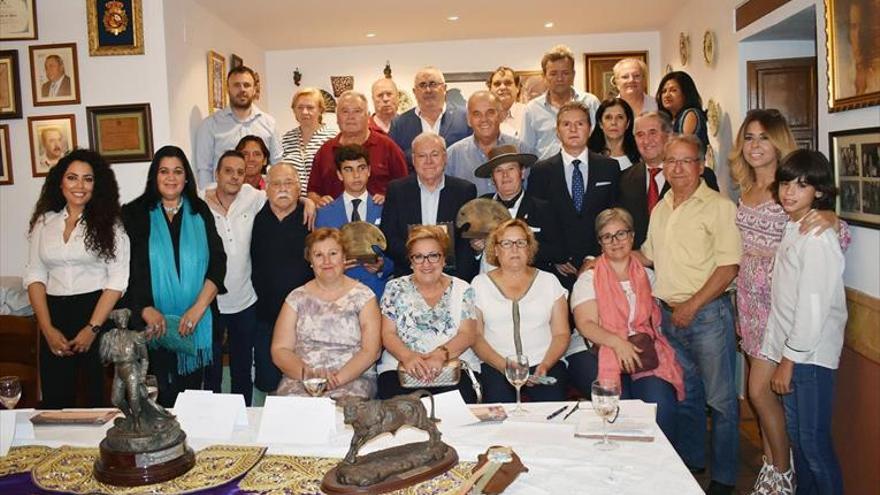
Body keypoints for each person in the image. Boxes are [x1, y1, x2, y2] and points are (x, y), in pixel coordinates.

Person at [728, 109, 847, 494]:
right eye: (748, 137)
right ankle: (773, 467)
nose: (755, 145)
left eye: (763, 137)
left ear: (778, 141)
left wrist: (831, 216)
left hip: (783, 303)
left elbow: (832, 239)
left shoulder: (798, 195)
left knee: (761, 391)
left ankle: (780, 475)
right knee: (764, 397)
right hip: (751, 298)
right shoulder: (743, 188)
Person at [641, 134, 741, 495]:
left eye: (686, 161)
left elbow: (729, 266)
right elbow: (648, 256)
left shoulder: (720, 207)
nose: (678, 168)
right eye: (671, 161)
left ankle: (726, 477)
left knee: (722, 401)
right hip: (669, 317)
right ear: (663, 167)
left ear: (701, 165)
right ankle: (693, 461)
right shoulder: (661, 207)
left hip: (707, 316)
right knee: (688, 394)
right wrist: (603, 259)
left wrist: (692, 306)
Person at [764, 149, 846, 495]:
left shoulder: (817, 237)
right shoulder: (795, 226)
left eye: (802, 185)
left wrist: (787, 362)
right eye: (785, 183)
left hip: (807, 359)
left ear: (819, 191)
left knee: (813, 446)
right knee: (799, 441)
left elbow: (812, 310)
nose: (790, 192)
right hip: (794, 354)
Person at [122, 146, 226, 407]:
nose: (171, 178)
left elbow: (218, 262)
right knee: (156, 401)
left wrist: (198, 309)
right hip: (150, 325)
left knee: (191, 402)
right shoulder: (133, 214)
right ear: (154, 176)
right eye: (164, 171)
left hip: (196, 323)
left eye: (177, 171)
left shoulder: (200, 211)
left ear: (186, 177)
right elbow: (127, 270)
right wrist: (145, 309)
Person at [24, 149, 129, 409]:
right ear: (60, 182)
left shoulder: (111, 225)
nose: (79, 185)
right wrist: (46, 329)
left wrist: (92, 328)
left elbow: (117, 280)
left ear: (97, 184)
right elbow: (35, 275)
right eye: (72, 178)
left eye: (88, 179)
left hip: (97, 314)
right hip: (54, 316)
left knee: (98, 403)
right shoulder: (44, 223)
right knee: (56, 403)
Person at [571, 208, 684, 440]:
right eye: (607, 236)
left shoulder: (648, 276)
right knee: (619, 405)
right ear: (600, 242)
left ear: (632, 237)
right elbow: (586, 324)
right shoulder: (589, 278)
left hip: (642, 349)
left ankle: (660, 467)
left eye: (621, 234)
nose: (615, 241)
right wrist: (618, 343)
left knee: (660, 404)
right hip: (595, 350)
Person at [272, 228, 382, 399]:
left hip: (352, 379)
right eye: (318, 255)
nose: (326, 261)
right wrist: (308, 376)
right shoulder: (295, 298)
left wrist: (335, 380)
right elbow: (280, 349)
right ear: (310, 261)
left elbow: (371, 351)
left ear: (344, 258)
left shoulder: (364, 297)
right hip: (301, 380)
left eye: (333, 253)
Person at [377, 225, 480, 402]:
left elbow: (468, 334)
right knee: (400, 411)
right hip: (400, 367)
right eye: (419, 257)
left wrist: (441, 356)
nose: (426, 263)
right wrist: (408, 357)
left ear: (444, 259)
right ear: (411, 261)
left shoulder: (463, 288)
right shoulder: (394, 288)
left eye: (433, 256)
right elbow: (387, 333)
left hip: (453, 366)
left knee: (457, 408)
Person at [472, 219, 570, 402]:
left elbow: (561, 334)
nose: (514, 249)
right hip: (497, 365)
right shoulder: (479, 284)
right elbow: (476, 337)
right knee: (500, 413)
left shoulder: (549, 282)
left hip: (545, 364)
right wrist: (506, 367)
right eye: (506, 243)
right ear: (496, 249)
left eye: (520, 243)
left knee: (551, 413)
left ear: (529, 248)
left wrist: (545, 365)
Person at [527, 100, 620, 289]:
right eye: (566, 124)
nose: (573, 129)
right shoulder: (541, 171)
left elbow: (615, 214)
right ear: (557, 131)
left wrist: (593, 257)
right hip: (556, 269)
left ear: (591, 128)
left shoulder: (609, 167)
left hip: (600, 262)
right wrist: (556, 258)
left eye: (580, 123)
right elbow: (535, 223)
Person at [202, 150, 266, 406]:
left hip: (245, 299)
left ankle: (243, 423)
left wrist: (307, 202)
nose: (235, 177)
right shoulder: (198, 202)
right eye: (228, 171)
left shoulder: (253, 197)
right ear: (217, 174)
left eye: (241, 172)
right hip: (210, 302)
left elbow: (285, 195)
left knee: (241, 368)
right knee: (212, 369)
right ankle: (213, 422)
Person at [381, 132, 479, 281]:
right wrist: (418, 261)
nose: (429, 161)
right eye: (422, 156)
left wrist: (457, 279)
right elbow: (388, 236)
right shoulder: (397, 190)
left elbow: (466, 242)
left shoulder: (464, 191)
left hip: (453, 277)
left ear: (445, 158)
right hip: (409, 276)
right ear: (413, 160)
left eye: (435, 155)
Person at [250, 163, 313, 393]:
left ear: (299, 189)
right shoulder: (254, 218)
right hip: (265, 315)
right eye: (276, 184)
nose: (282, 189)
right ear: (266, 188)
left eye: (289, 183)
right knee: (268, 382)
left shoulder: (311, 220)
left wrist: (310, 202)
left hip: (306, 318)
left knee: (305, 381)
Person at [619, 112, 719, 248]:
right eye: (640, 135)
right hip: (639, 264)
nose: (646, 141)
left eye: (652, 133)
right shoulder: (624, 179)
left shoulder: (700, 176)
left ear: (669, 135)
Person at [315, 144, 395, 298]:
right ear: (339, 174)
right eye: (348, 169)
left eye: (361, 168)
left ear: (369, 171)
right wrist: (333, 266)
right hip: (337, 295)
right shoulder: (324, 213)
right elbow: (316, 257)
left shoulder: (385, 208)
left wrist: (382, 266)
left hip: (377, 292)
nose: (356, 175)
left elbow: (397, 251)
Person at [307, 91, 408, 207]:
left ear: (368, 116)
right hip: (335, 222)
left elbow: (405, 188)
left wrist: (388, 200)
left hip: (380, 221)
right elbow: (312, 191)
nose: (351, 117)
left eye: (357, 111)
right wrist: (319, 201)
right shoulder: (325, 151)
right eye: (345, 111)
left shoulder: (388, 147)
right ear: (337, 118)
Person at [474, 144, 564, 274]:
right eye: (499, 171)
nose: (505, 175)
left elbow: (559, 253)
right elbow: (466, 253)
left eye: (511, 168)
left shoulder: (544, 209)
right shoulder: (480, 207)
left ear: (522, 173)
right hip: (489, 284)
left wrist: (523, 245)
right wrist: (477, 250)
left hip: (530, 285)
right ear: (492, 178)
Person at [194, 66, 282, 188]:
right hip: (224, 201)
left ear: (254, 89)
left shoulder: (269, 124)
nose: (242, 89)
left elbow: (277, 165)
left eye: (247, 85)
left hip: (261, 199)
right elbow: (204, 169)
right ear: (227, 89)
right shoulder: (210, 125)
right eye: (236, 85)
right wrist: (209, 201)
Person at [521, 44, 601, 159]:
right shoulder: (532, 109)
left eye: (565, 73)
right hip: (546, 173)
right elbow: (526, 150)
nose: (559, 78)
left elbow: (600, 142)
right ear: (544, 76)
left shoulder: (590, 103)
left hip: (586, 171)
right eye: (553, 74)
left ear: (573, 75)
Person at [446, 90, 529, 196]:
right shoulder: (453, 156)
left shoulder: (521, 149)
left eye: (490, 113)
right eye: (477, 114)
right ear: (468, 119)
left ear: (501, 115)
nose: (484, 119)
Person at [389, 67, 472, 168]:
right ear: (415, 92)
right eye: (422, 85)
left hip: (458, 182)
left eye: (433, 84)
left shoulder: (465, 118)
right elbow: (394, 164)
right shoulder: (399, 124)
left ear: (444, 88)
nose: (428, 90)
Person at [280, 87, 338, 193]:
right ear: (294, 110)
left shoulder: (333, 137)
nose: (304, 112)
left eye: (310, 107)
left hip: (323, 201)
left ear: (320, 110)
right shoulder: (286, 139)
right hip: (293, 203)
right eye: (300, 107)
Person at [656, 71, 709, 149]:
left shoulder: (690, 114)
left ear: (686, 93)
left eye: (673, 90)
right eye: (664, 91)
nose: (667, 95)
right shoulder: (669, 120)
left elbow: (681, 150)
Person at [587, 97, 641, 172]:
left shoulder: (640, 156)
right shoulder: (588, 157)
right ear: (600, 123)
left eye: (620, 117)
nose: (614, 122)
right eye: (608, 117)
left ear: (628, 124)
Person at [487, 66, 526, 138]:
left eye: (508, 83)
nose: (502, 87)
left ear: (517, 88)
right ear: (490, 90)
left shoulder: (528, 113)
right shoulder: (484, 116)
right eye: (497, 84)